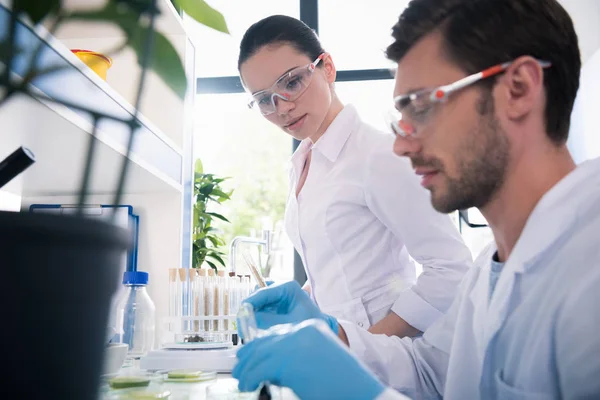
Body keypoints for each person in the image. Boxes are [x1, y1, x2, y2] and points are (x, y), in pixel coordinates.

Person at [232, 0, 600, 399]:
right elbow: (430, 370)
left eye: (422, 104)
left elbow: (443, 270)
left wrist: (362, 384)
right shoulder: (487, 275)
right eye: (401, 114)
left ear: (519, 89)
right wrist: (334, 337)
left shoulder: (589, 273)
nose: (403, 144)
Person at [237, 15, 472, 338]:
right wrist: (300, 301)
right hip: (343, 358)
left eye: (291, 82)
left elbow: (451, 269)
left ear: (327, 67)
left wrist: (359, 346)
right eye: (264, 99)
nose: (282, 107)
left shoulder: (379, 155)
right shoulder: (305, 162)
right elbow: (344, 271)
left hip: (391, 366)